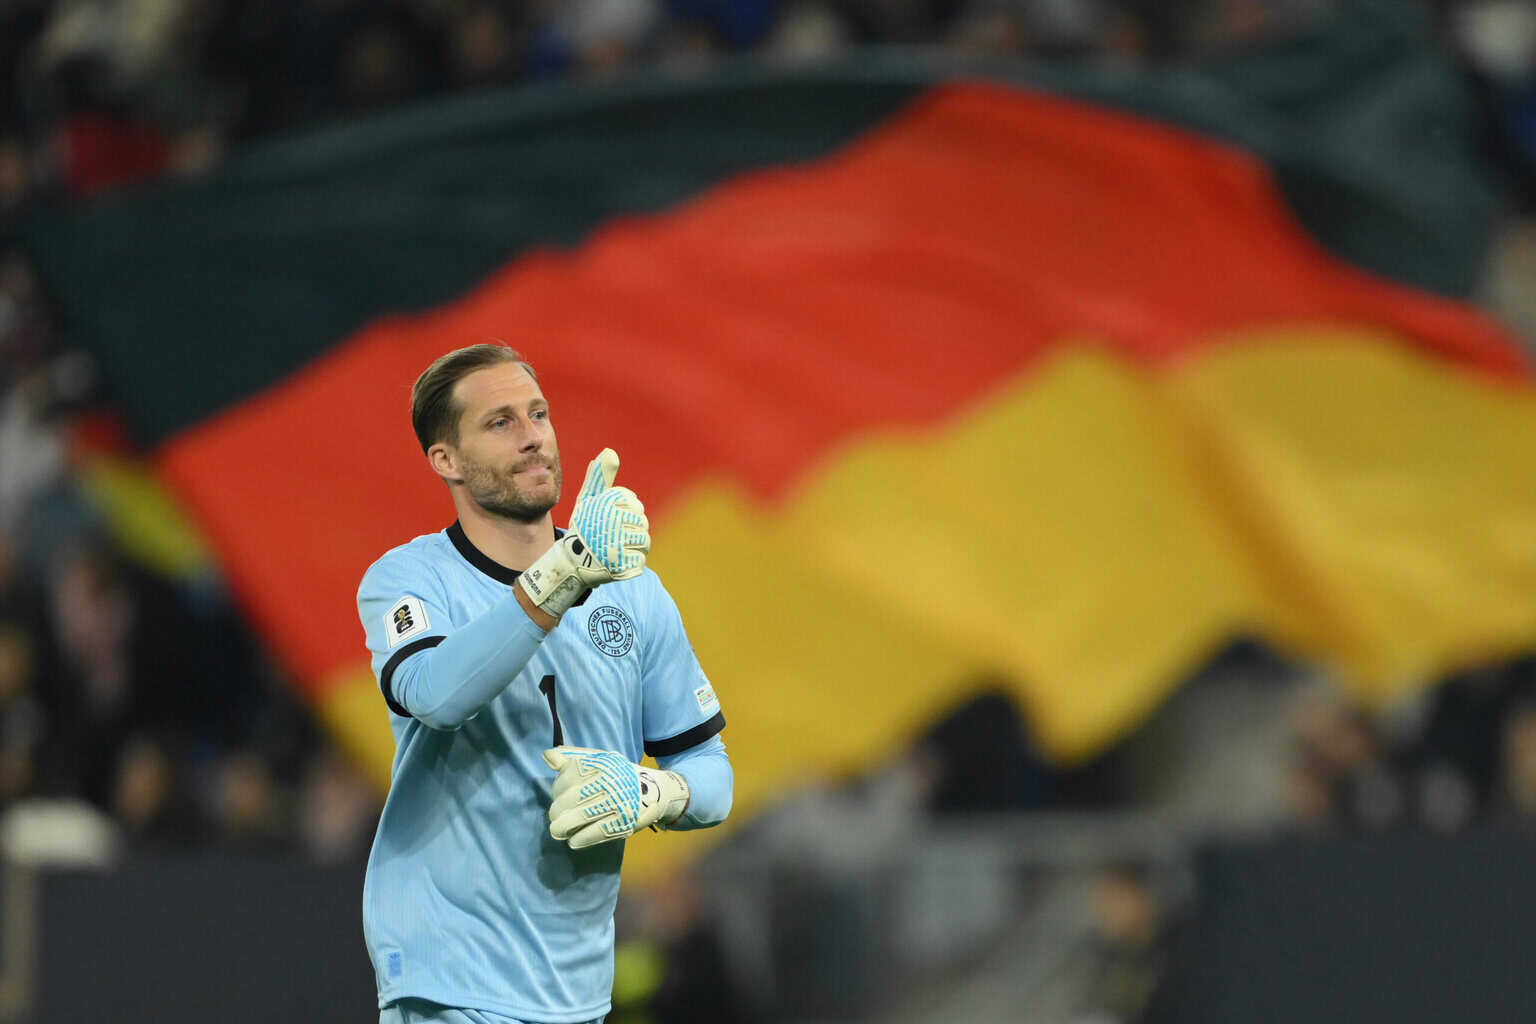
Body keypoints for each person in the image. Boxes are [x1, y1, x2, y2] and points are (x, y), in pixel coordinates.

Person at [356, 343, 732, 1024]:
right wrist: (567, 573)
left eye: (538, 414)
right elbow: (437, 694)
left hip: (577, 992)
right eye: (500, 422)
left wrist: (652, 792)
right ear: (446, 459)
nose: (532, 437)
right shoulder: (409, 580)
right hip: (451, 984)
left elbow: (711, 773)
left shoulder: (636, 593)